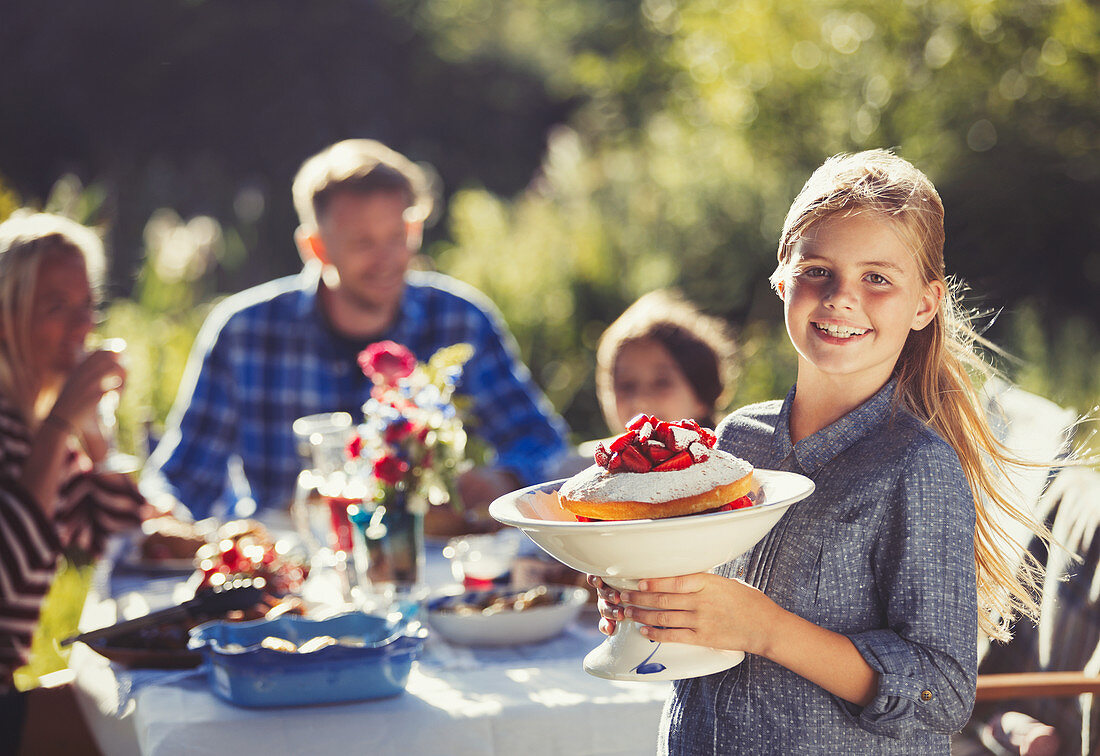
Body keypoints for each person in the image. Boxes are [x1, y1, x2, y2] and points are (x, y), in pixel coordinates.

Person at [593, 150, 1049, 753]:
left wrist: (767, 629)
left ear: (924, 304)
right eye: (817, 271)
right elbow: (706, 613)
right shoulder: (737, 442)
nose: (840, 298)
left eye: (877, 278)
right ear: (782, 279)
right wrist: (646, 598)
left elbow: (941, 695)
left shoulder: (918, 466)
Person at [143, 139, 569, 525]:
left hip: (432, 564)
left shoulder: (462, 320)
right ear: (316, 248)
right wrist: (162, 511)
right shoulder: (243, 333)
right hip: (290, 570)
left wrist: (503, 475)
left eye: (399, 235)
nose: (388, 259)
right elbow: (184, 475)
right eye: (363, 243)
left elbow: (542, 442)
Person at [0, 212, 143, 751]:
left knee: (139, 698)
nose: (82, 325)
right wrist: (60, 425)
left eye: (87, 305)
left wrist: (93, 431)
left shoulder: (32, 424)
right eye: (56, 307)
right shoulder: (23, 431)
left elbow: (116, 539)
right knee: (128, 720)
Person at [595, 288, 736, 432]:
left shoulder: (735, 452)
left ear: (702, 395)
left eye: (661, 383)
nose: (641, 401)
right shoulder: (598, 454)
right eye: (626, 385)